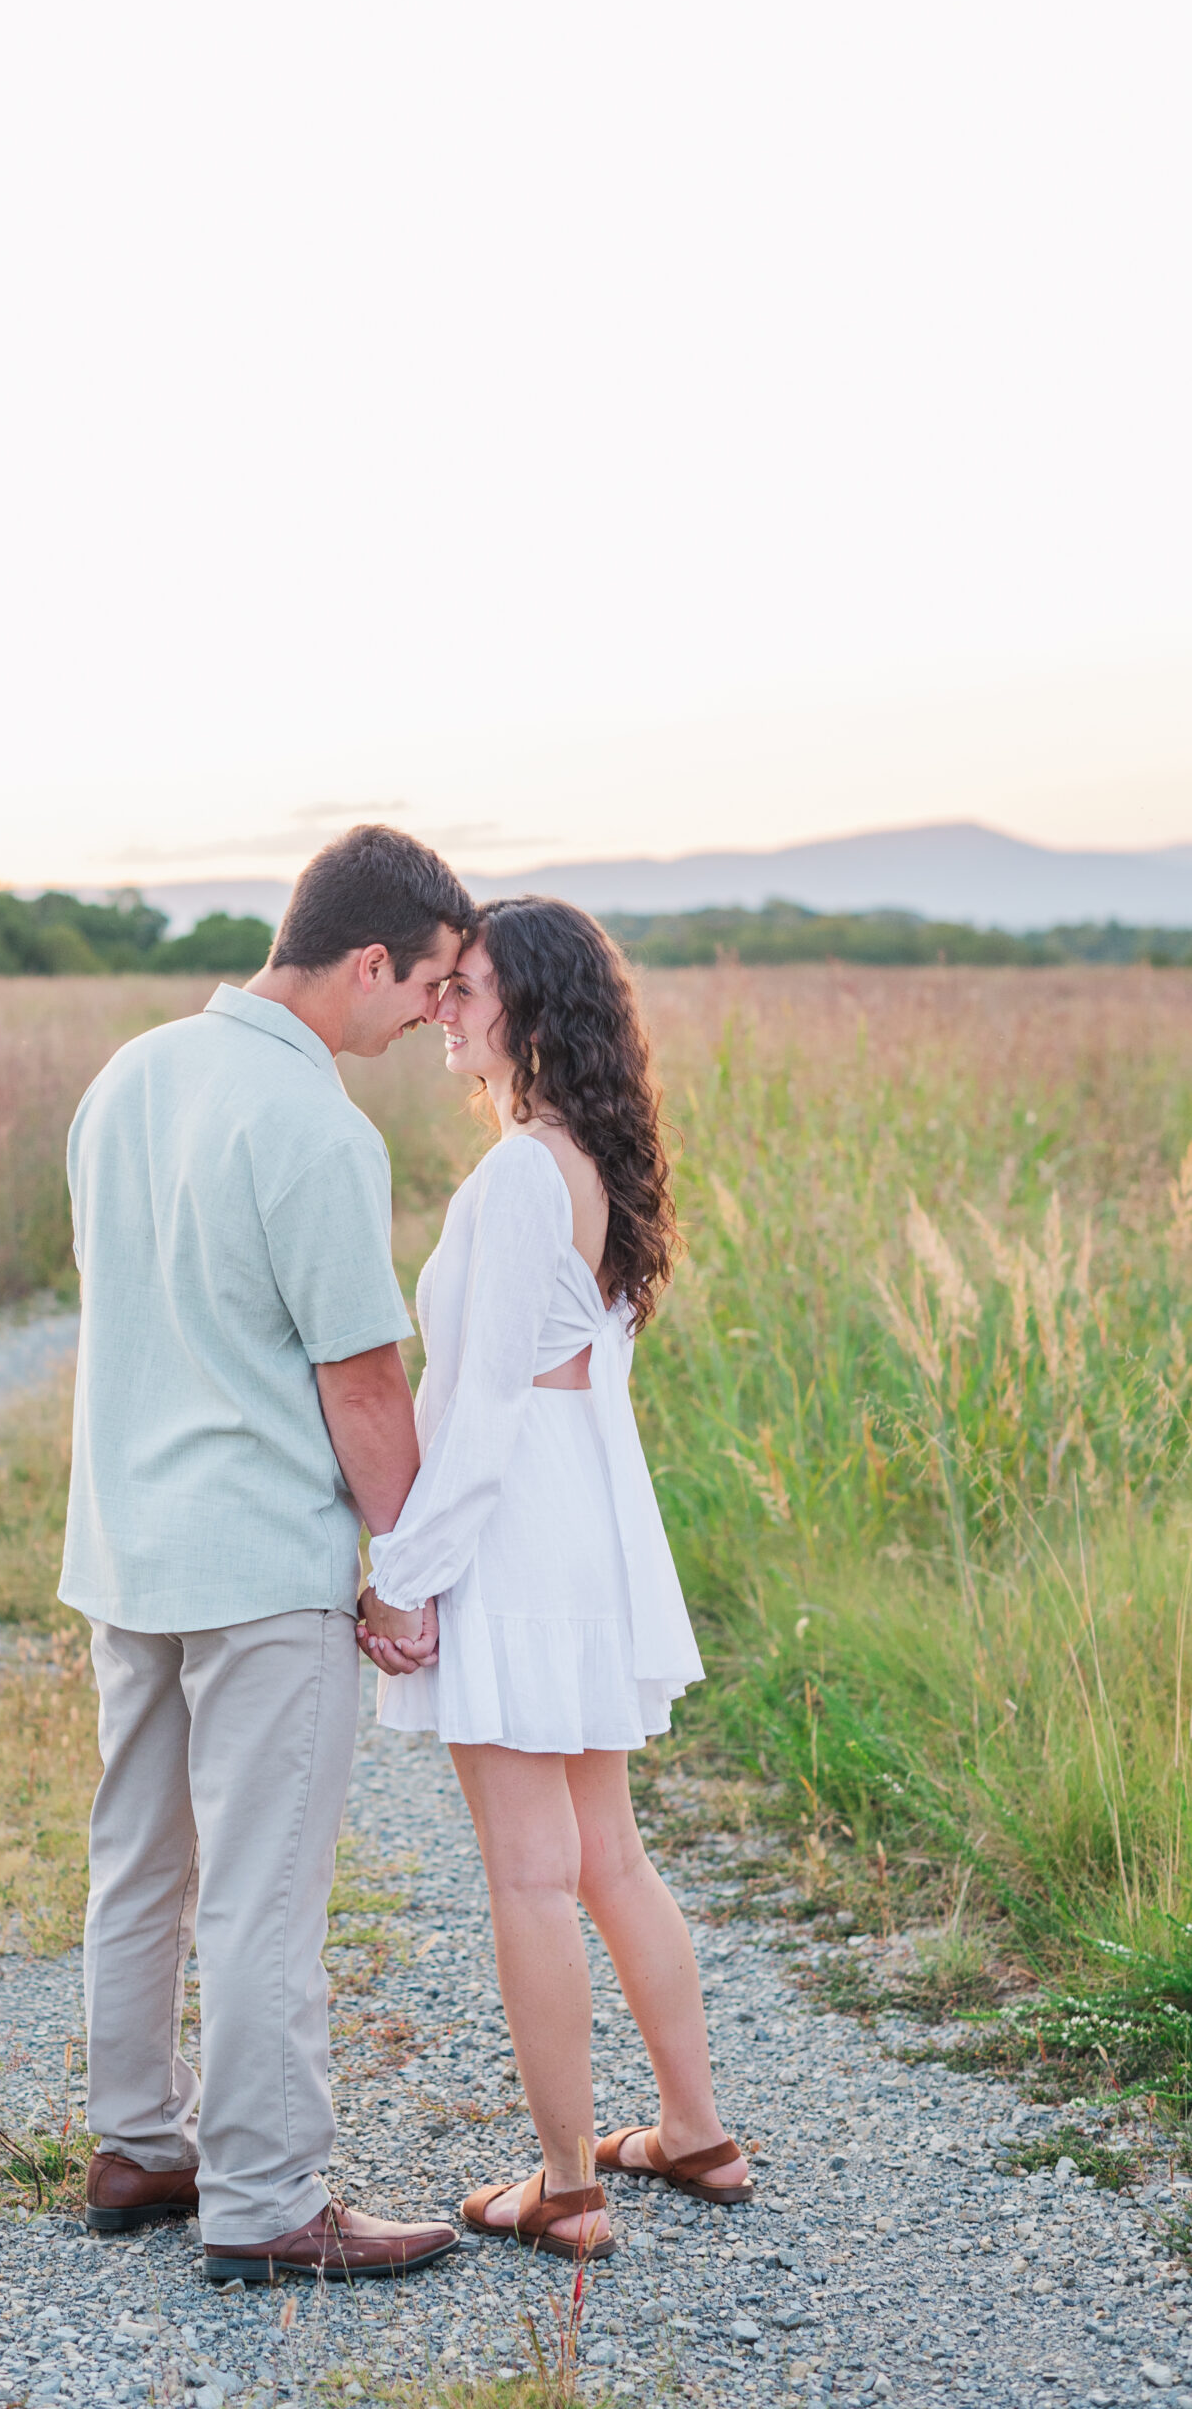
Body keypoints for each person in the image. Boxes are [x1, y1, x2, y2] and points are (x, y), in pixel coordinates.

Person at [62, 825, 472, 2284]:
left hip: (127, 1547)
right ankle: (266, 2200)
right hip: (258, 1561)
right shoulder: (315, 1128)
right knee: (262, 1884)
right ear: (371, 960)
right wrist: (409, 1562)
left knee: (141, 1861)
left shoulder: (130, 1078)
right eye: (426, 986)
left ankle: (137, 2146)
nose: (430, 1014)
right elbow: (362, 1384)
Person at [358, 897, 752, 2263]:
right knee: (606, 1857)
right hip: (585, 1521)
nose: (442, 1012)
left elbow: (482, 1415)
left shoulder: (526, 1174)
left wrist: (405, 1576)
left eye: (465, 988)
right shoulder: (602, 1157)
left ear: (527, 1005)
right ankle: (695, 2132)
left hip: (523, 1528)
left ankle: (568, 2184)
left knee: (533, 1874)